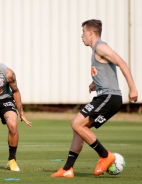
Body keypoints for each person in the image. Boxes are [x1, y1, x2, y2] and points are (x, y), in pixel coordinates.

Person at [51, 19, 138, 178]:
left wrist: (132, 88)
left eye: (83, 32)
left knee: (76, 123)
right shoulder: (96, 50)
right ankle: (67, 169)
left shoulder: (100, 47)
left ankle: (105, 156)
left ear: (90, 32)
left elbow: (122, 63)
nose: (81, 36)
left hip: (109, 97)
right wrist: (94, 83)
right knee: (79, 130)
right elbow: (106, 70)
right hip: (106, 96)